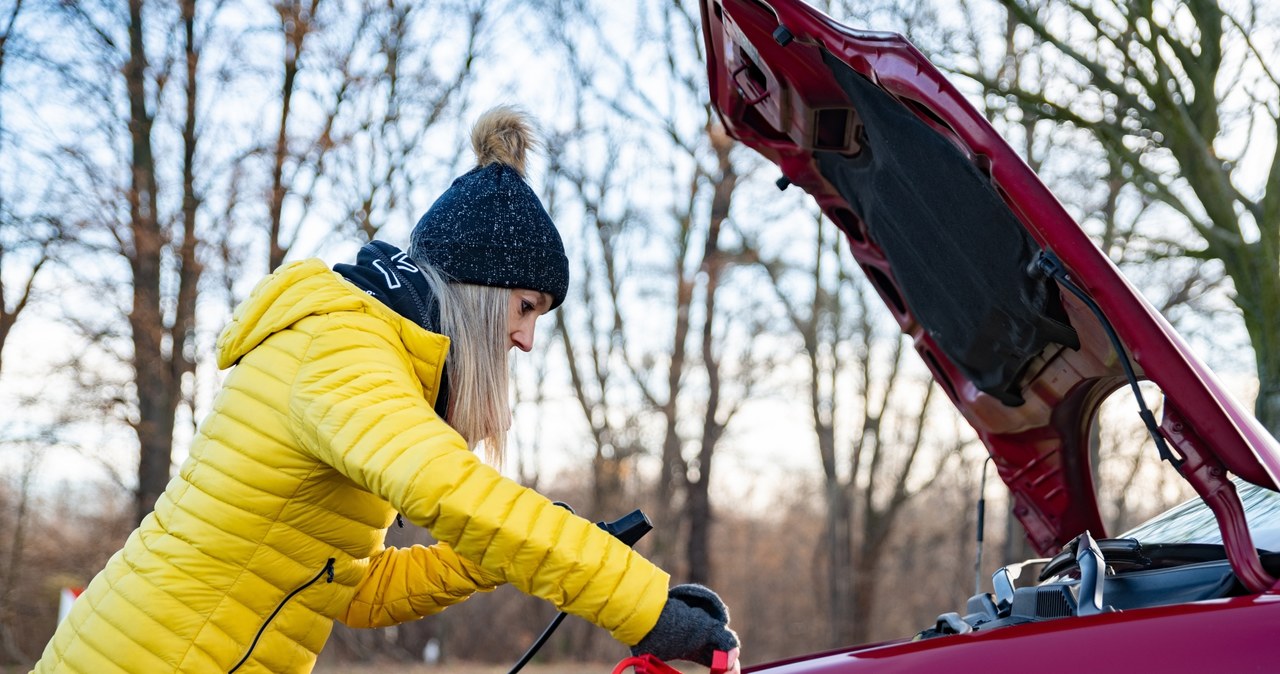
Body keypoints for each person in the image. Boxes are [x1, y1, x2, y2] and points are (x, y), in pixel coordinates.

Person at [32, 106, 740, 673]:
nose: (526, 339)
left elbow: (354, 590)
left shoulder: (375, 362)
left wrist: (496, 558)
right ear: (482, 294)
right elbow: (457, 494)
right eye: (525, 309)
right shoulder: (343, 347)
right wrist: (644, 605)